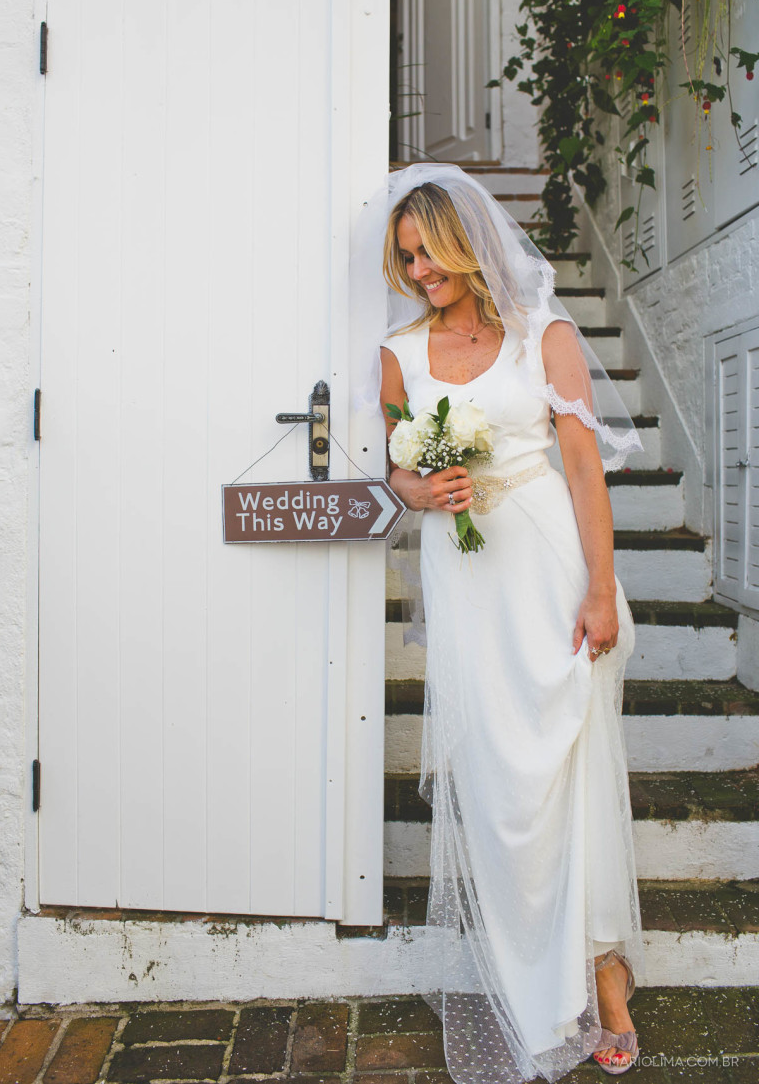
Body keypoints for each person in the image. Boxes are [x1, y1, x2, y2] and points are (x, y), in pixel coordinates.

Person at [369, 164, 645, 1083]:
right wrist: (421, 485)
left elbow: (584, 473)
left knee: (575, 767)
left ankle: (605, 981)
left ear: (465, 240)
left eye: (427, 251)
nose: (417, 271)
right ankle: (532, 986)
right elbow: (394, 473)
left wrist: (601, 589)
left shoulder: (546, 335)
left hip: (553, 571)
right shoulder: (399, 354)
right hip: (468, 583)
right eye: (405, 257)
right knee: (496, 785)